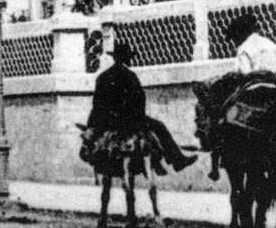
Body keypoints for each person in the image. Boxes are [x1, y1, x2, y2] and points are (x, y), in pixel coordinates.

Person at [83, 41, 197, 177]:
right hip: (129, 122)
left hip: (106, 122)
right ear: (126, 58)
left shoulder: (102, 77)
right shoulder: (130, 76)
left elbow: (97, 104)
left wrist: (94, 124)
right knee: (159, 127)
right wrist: (137, 117)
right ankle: (176, 160)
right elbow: (140, 100)